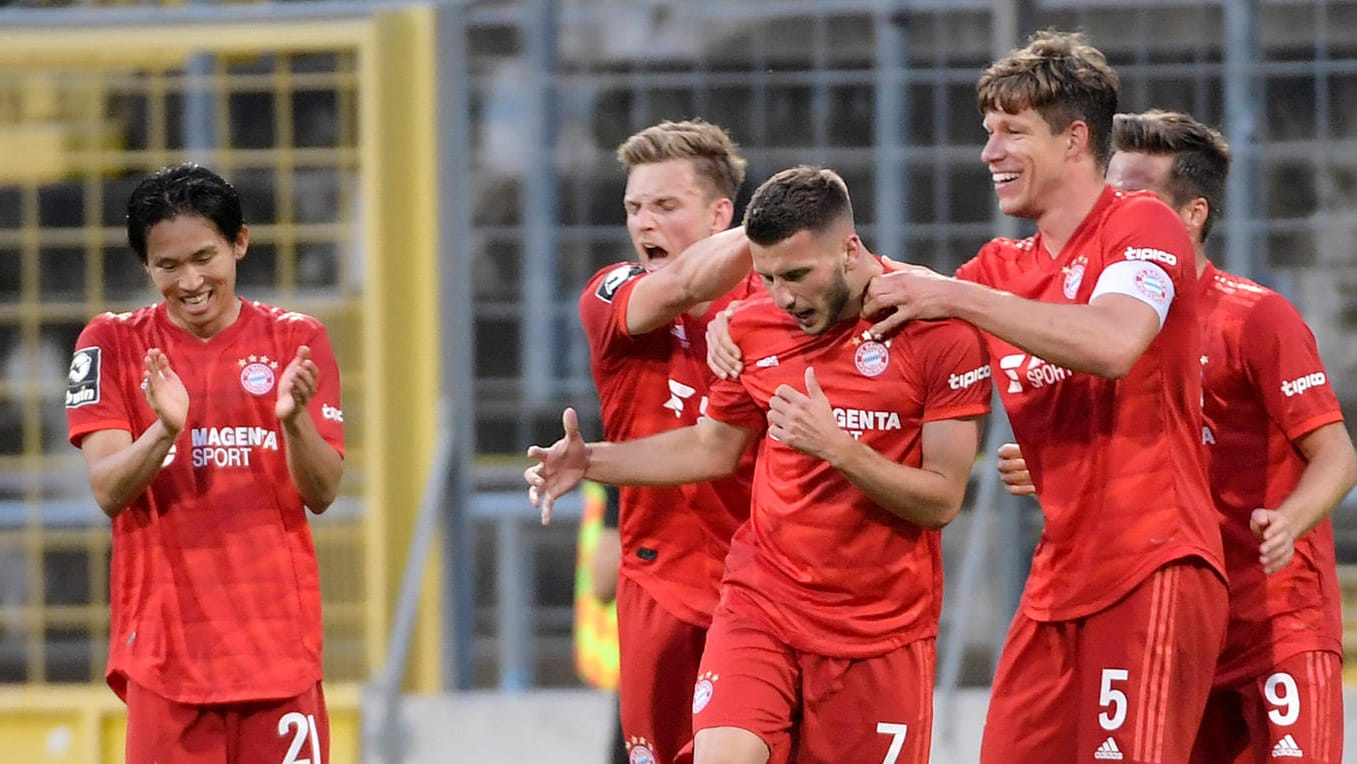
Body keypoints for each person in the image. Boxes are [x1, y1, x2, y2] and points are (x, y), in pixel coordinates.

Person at [529, 165, 992, 764]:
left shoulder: (937, 333)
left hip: (879, 630)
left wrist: (838, 448)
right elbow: (709, 447)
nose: (785, 297)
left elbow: (943, 500)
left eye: (799, 275)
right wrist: (591, 459)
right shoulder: (751, 327)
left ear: (851, 249)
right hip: (762, 604)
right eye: (769, 277)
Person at [855, 32, 1229, 763]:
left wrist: (956, 297)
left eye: (1011, 132)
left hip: (1152, 565)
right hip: (1059, 577)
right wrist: (742, 314)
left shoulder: (1139, 224)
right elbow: (878, 296)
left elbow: (1114, 343)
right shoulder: (994, 267)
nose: (988, 152)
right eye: (986, 133)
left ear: (1074, 139)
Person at [995, 109, 1356, 764]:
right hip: (1176, 624)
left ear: (1190, 214)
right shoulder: (1105, 320)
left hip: (1274, 620)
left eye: (1134, 196)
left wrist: (1287, 520)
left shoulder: (1255, 316)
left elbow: (1334, 451)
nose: (1113, 211)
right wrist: (1052, 461)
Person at [64, 163, 344, 763]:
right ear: (146, 265)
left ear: (238, 242)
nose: (190, 280)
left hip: (278, 655)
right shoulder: (110, 344)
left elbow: (322, 492)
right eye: (167, 265)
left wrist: (293, 421)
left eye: (203, 257)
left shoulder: (298, 341)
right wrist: (165, 428)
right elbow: (109, 489)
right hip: (167, 661)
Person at [574, 118, 759, 764]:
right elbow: (682, 287)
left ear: (718, 214)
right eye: (633, 207)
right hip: (659, 590)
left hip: (763, 588)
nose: (642, 223)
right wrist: (788, 221)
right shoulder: (610, 296)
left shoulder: (775, 309)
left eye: (664, 205)